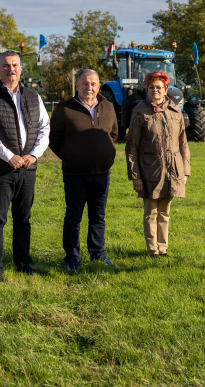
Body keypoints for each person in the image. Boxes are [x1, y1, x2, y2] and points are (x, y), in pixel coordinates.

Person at [0, 51, 50, 282]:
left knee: (23, 219)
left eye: (15, 65)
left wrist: (34, 155)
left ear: (21, 69)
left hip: (27, 169)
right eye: (6, 66)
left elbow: (45, 128)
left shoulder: (34, 97)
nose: (11, 69)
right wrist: (9, 156)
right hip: (1, 170)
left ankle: (23, 263)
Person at [49, 69, 119, 271]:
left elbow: (114, 134)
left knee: (98, 216)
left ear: (99, 86)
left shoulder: (108, 107)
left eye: (94, 84)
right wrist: (71, 156)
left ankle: (97, 254)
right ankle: (72, 257)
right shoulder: (64, 109)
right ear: (77, 86)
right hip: (75, 174)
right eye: (85, 84)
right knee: (74, 217)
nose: (89, 88)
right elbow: (53, 139)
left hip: (102, 173)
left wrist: (108, 156)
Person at [125, 71, 190, 257]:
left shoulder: (176, 112)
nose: (155, 90)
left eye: (159, 87)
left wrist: (185, 172)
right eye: (151, 87)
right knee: (151, 212)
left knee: (165, 212)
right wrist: (135, 175)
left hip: (173, 170)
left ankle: (163, 249)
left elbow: (183, 144)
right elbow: (131, 148)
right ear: (146, 89)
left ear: (165, 89)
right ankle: (152, 250)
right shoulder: (139, 112)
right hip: (149, 171)